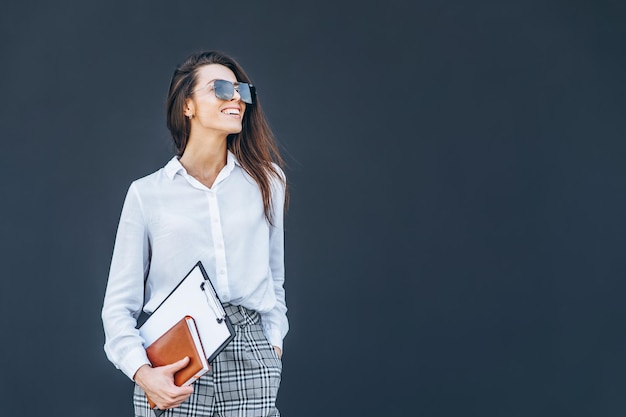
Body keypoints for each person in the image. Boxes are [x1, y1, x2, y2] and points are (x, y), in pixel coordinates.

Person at [101, 50, 289, 417]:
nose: (235, 98)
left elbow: (274, 279)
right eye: (220, 88)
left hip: (251, 359)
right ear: (187, 106)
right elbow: (118, 306)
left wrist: (273, 347)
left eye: (241, 90)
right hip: (173, 363)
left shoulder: (268, 182)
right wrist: (142, 373)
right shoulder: (147, 194)